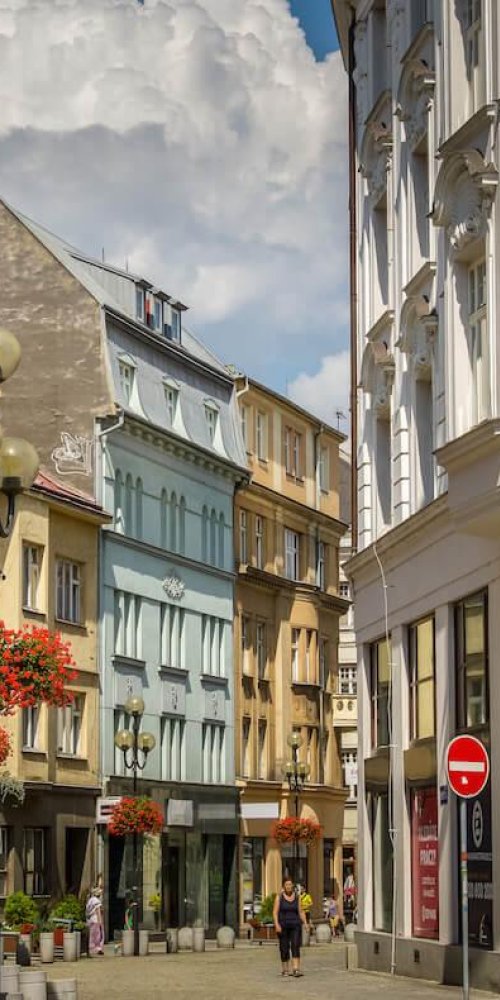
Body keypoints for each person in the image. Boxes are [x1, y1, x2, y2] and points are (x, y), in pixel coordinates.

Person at [273, 877, 307, 978]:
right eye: (287, 884)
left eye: (290, 884)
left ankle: (296, 969)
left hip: (295, 925)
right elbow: (275, 913)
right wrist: (277, 924)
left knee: (295, 945)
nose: (289, 886)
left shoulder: (297, 897)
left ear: (292, 886)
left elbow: (301, 911)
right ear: (284, 886)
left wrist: (305, 923)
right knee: (284, 947)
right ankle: (285, 969)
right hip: (283, 925)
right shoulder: (279, 897)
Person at [86, 886, 104, 956]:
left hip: (90, 919)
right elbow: (98, 911)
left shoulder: (90, 901)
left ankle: (91, 947)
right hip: (96, 919)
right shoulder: (97, 901)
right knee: (98, 935)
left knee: (92, 934)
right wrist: (100, 921)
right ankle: (98, 948)